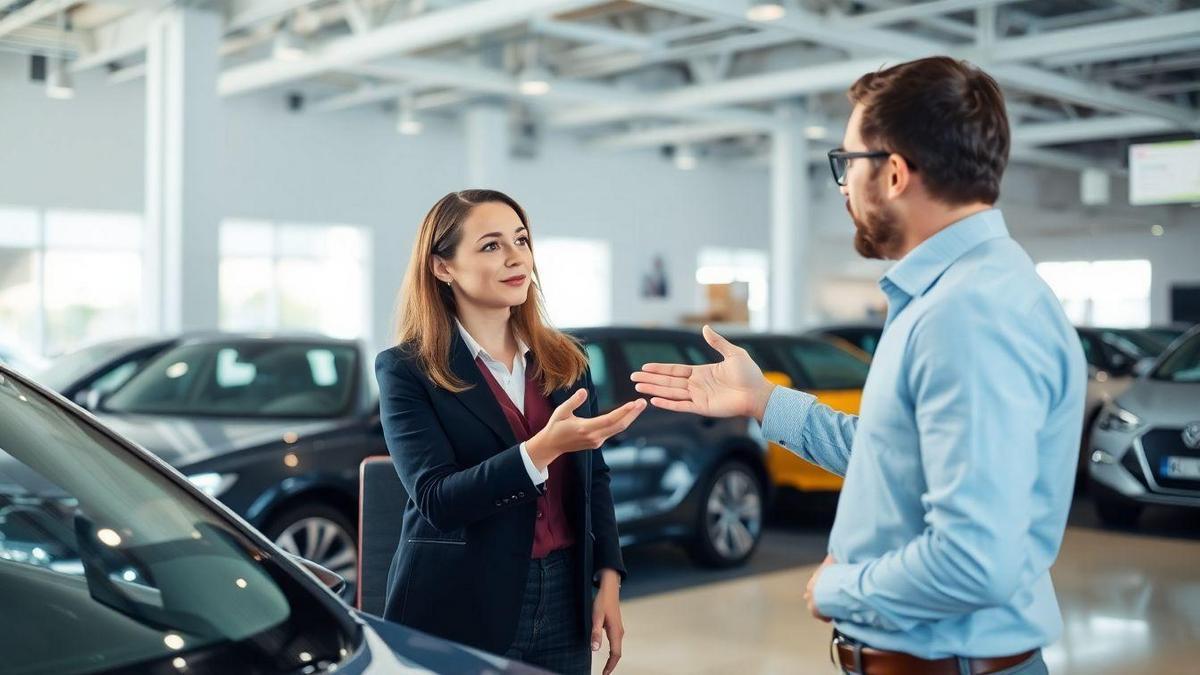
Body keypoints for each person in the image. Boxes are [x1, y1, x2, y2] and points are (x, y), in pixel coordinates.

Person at [631, 57, 1085, 675]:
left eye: (848, 163)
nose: (843, 186)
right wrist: (764, 400)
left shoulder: (968, 314)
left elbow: (977, 560)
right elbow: (894, 459)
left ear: (894, 172)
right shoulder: (958, 294)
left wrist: (840, 590)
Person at [376, 189, 645, 674]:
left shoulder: (566, 360)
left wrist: (608, 578)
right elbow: (438, 499)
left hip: (564, 594)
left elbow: (594, 479)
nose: (516, 256)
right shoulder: (406, 370)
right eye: (491, 245)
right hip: (457, 600)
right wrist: (539, 451)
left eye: (521, 240)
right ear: (443, 267)